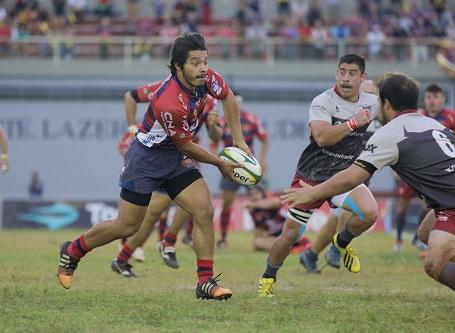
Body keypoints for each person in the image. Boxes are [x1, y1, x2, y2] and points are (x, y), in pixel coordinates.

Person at [281, 73, 455, 332]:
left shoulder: (391, 133)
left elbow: (351, 178)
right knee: (425, 231)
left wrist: (311, 194)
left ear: (386, 104)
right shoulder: (433, 124)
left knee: (435, 263)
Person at [57, 32, 250, 301]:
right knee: (126, 226)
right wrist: (220, 162)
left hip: (174, 158)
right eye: (195, 63)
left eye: (204, 61)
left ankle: (205, 282)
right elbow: (186, 145)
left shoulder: (207, 78)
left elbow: (228, 97)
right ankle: (73, 250)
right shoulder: (169, 100)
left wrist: (238, 140)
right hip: (145, 160)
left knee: (204, 210)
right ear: (178, 66)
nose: (203, 68)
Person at [257, 54, 380, 297]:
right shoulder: (323, 101)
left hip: (344, 175)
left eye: (352, 73)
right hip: (311, 176)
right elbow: (323, 137)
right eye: (341, 72)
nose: (345, 78)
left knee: (370, 213)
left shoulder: (373, 102)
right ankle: (268, 278)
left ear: (362, 77)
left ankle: (340, 244)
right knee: (291, 235)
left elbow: (397, 112)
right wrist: (353, 123)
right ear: (336, 73)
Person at [113, 95, 221, 275]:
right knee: (148, 216)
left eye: (202, 64)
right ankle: (127, 256)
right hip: (155, 160)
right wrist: (132, 127)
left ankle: (166, 243)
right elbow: (130, 96)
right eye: (195, 64)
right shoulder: (164, 91)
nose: (201, 69)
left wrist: (214, 124)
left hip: (179, 160)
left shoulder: (208, 99)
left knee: (196, 204)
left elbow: (215, 135)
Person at [299, 79, 380, 272]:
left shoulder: (378, 119)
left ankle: (311, 254)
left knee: (337, 216)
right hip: (341, 171)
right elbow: (323, 136)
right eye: (364, 93)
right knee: (344, 212)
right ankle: (335, 248)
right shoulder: (345, 113)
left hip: (360, 172)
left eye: (371, 95)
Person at [395, 83, 455, 252]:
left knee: (429, 205)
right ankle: (399, 240)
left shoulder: (454, 118)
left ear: (443, 99)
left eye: (436, 97)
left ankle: (419, 237)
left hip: (437, 172)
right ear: (424, 100)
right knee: (402, 203)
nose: (432, 101)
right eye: (429, 97)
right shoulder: (416, 117)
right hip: (413, 170)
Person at [215, 92, 269, 248]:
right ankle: (223, 239)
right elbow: (214, 145)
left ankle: (260, 239)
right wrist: (218, 163)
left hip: (249, 168)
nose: (235, 104)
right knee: (226, 204)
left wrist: (263, 162)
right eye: (232, 102)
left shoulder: (251, 119)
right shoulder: (221, 122)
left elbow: (265, 141)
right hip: (229, 169)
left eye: (237, 101)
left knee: (259, 202)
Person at [243, 185, 310, 252]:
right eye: (251, 195)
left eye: (256, 193)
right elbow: (258, 230)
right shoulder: (254, 212)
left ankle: (297, 245)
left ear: (262, 193)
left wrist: (252, 204)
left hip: (288, 229)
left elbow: (275, 203)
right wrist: (257, 245)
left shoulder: (270, 199)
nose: (254, 196)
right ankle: (292, 248)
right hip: (276, 236)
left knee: (292, 233)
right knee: (258, 241)